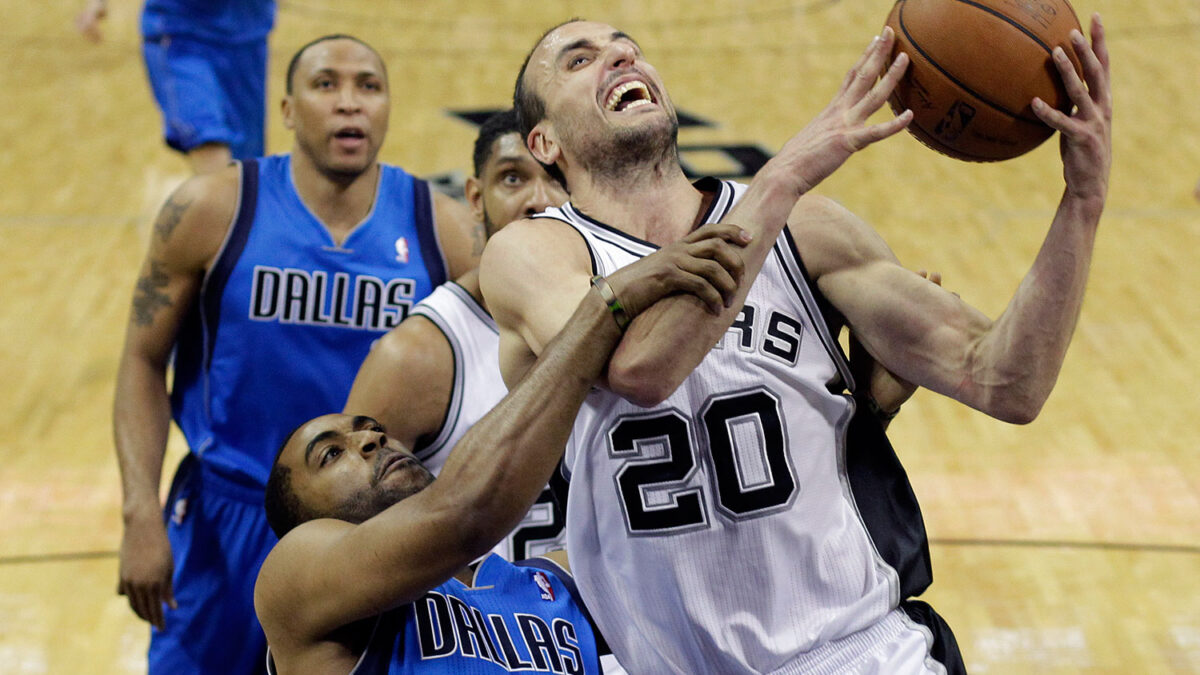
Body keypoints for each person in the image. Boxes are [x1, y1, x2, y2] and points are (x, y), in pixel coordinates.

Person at [480, 16, 1111, 674]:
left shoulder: (808, 231)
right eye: (580, 60)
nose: (618, 59)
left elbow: (1006, 381)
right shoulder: (536, 255)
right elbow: (640, 367)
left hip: (863, 655)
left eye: (627, 49)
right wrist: (786, 175)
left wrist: (1084, 199)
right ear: (543, 141)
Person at [113, 34, 481, 675]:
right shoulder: (212, 209)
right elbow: (142, 362)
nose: (350, 105)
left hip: (372, 532)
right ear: (285, 109)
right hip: (227, 518)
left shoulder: (443, 229)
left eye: (369, 86)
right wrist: (140, 512)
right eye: (326, 85)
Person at [255, 220, 753, 674]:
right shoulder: (294, 578)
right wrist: (605, 308)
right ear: (305, 524)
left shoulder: (549, 583)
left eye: (369, 429)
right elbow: (462, 515)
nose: (370, 438)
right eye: (331, 454)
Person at [344, 108, 570, 562]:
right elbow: (345, 544)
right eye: (511, 178)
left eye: (557, 177)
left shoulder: (630, 314)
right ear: (475, 197)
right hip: (488, 630)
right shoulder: (417, 355)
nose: (538, 199)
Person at [76, 0, 275, 174]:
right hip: (181, 34)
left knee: (247, 168)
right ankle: (222, 213)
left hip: (249, 36)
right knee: (208, 140)